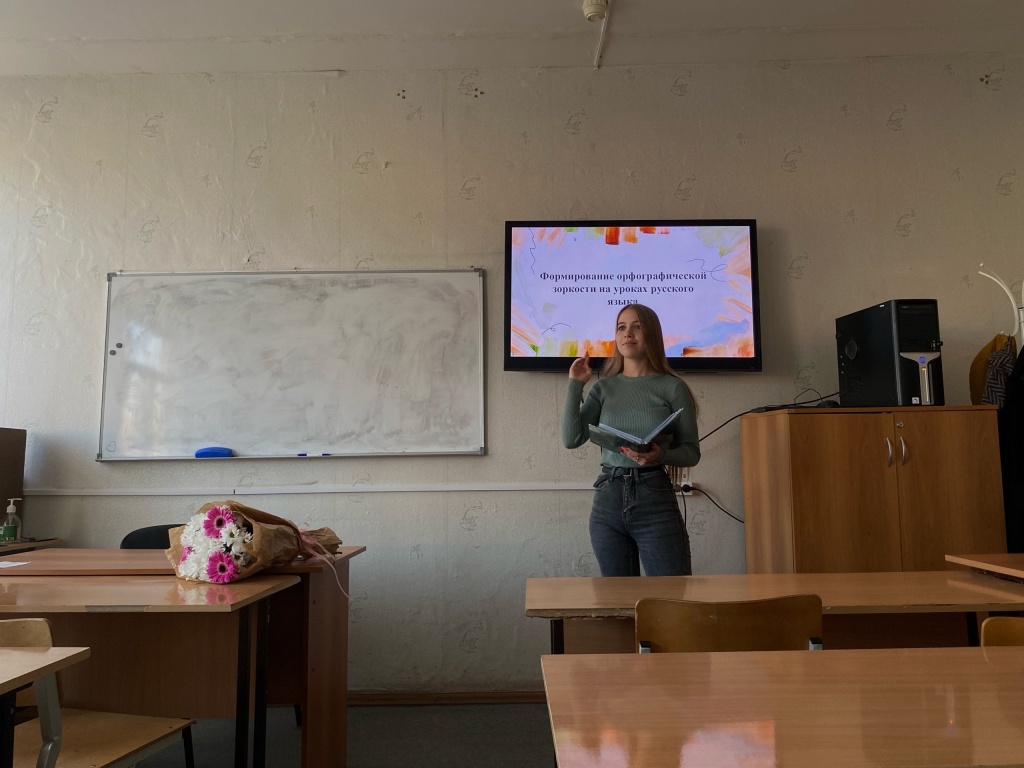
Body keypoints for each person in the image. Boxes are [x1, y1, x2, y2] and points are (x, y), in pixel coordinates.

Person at [562, 303, 700, 576]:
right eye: (621, 327)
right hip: (608, 499)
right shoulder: (603, 387)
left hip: (655, 497)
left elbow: (691, 452)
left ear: (652, 334)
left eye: (637, 326)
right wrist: (575, 384)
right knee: (617, 597)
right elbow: (572, 438)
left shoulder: (673, 387)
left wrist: (660, 454)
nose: (628, 333)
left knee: (671, 595)